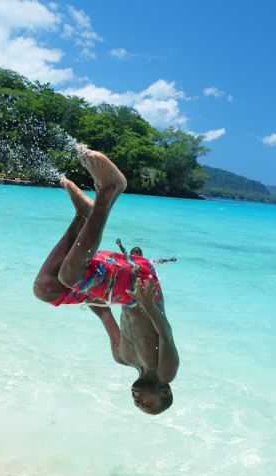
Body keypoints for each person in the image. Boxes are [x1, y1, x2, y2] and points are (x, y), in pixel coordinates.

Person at [32, 146, 178, 415]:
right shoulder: (165, 373)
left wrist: (94, 303)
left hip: (123, 296)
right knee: (69, 276)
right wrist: (149, 305)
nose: (137, 400)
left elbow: (105, 316)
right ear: (164, 393)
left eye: (137, 404)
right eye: (146, 403)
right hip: (143, 289)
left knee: (46, 289)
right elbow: (166, 335)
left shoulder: (121, 358)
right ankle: (109, 190)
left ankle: (82, 216)